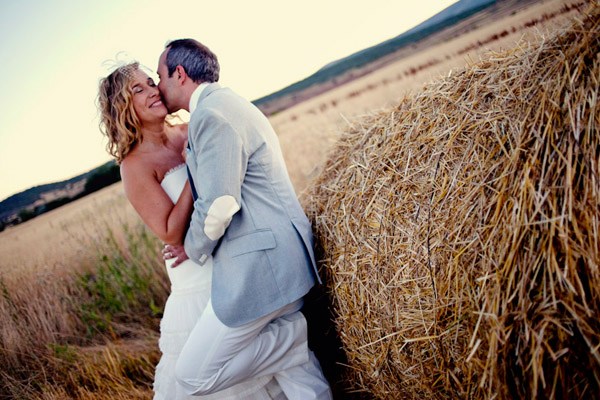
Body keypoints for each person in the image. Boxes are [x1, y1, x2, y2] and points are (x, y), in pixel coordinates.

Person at [97, 62, 285, 399]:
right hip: (195, 276)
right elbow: (169, 232)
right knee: (208, 371)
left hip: (228, 253)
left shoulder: (189, 128)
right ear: (122, 107)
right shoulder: (134, 164)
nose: (153, 90)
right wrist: (194, 165)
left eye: (151, 82)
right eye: (138, 89)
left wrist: (194, 157)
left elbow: (229, 181)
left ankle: (291, 350)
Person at [157, 39, 332, 399]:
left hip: (261, 269)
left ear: (179, 73)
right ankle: (292, 347)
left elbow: (220, 203)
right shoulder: (229, 102)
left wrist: (192, 247)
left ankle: (294, 339)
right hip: (281, 259)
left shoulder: (210, 115)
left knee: (191, 376)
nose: (159, 86)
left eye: (159, 76)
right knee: (302, 383)